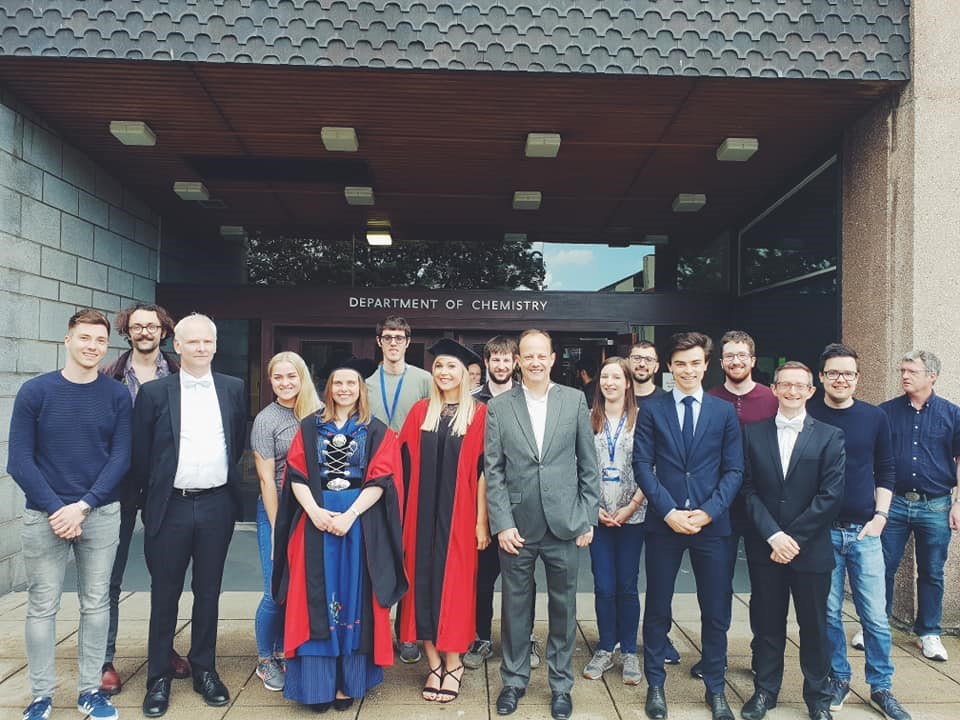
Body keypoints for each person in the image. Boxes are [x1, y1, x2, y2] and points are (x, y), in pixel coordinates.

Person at [8, 308, 131, 720]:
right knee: (42, 605)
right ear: (67, 340)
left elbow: (121, 457)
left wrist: (83, 505)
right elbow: (19, 460)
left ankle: (90, 692)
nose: (92, 347)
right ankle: (41, 695)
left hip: (98, 512)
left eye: (99, 340)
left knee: (96, 604)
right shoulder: (35, 392)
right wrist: (57, 508)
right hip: (45, 514)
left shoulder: (115, 395)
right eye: (85, 338)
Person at [271, 362, 406, 712]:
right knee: (312, 599)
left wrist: (349, 515)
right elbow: (296, 475)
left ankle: (348, 684)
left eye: (351, 383)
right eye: (337, 383)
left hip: (357, 525)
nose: (344, 389)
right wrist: (315, 513)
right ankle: (318, 687)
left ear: (361, 388)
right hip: (314, 524)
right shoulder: (309, 426)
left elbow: (381, 480)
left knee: (354, 597)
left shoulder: (376, 431)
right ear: (328, 388)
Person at [133, 313, 247, 717]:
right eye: (192, 342)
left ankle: (205, 670)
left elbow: (235, 442)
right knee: (164, 596)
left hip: (217, 504)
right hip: (171, 505)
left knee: (209, 592)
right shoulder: (154, 393)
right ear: (176, 345)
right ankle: (158, 677)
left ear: (215, 346)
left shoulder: (234, 388)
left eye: (207, 341)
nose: (201, 348)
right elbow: (143, 455)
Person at [484, 329, 600, 720]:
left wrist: (586, 516)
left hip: (566, 524)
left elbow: (589, 464)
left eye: (541, 355)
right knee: (516, 609)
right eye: (527, 355)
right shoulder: (499, 408)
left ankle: (560, 686)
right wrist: (501, 523)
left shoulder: (574, 401)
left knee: (564, 611)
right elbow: (494, 470)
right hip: (517, 527)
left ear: (552, 359)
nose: (535, 362)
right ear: (518, 360)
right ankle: (514, 681)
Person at [633, 331, 742, 720]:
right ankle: (656, 687)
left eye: (695, 363)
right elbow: (642, 466)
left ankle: (716, 689)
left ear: (706, 365)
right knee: (658, 607)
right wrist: (668, 511)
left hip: (712, 525)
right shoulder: (652, 410)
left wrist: (710, 511)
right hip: (666, 524)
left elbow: (734, 469)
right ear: (669, 367)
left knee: (714, 610)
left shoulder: (723, 411)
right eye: (680, 363)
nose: (688, 370)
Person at [807, 344, 911, 720]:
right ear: (821, 378)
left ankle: (882, 686)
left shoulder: (874, 417)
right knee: (830, 614)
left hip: (865, 531)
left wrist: (881, 516)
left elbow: (886, 469)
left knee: (876, 617)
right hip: (821, 534)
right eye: (833, 373)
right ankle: (839, 677)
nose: (840, 379)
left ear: (857, 378)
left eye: (848, 373)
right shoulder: (808, 413)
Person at [741, 361, 845, 720]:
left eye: (800, 386)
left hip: (810, 550)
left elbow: (830, 496)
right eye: (786, 384)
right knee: (767, 625)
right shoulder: (752, 433)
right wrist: (773, 535)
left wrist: (792, 539)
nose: (792, 391)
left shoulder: (830, 436)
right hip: (765, 548)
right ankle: (765, 692)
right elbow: (748, 490)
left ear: (811, 391)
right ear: (774, 388)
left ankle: (818, 698)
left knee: (814, 627)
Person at [98, 303, 189, 696]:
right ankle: (102, 658)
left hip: (163, 486)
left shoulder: (182, 375)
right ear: (127, 332)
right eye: (137, 326)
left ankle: (162, 650)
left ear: (164, 331)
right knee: (108, 577)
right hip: (116, 486)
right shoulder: (110, 376)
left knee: (165, 577)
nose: (145, 332)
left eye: (152, 326)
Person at [398, 339, 488, 703]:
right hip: (419, 520)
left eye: (451, 366)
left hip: (460, 519)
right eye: (439, 366)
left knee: (455, 589)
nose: (444, 372)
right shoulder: (421, 412)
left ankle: (454, 662)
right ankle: (433, 662)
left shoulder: (479, 414)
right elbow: (399, 465)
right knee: (421, 587)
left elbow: (486, 472)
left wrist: (482, 522)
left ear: (465, 373)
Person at [694, 330, 778, 681]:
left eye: (742, 355)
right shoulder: (710, 399)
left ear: (753, 360)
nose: (736, 361)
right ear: (721, 362)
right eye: (729, 356)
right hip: (720, 507)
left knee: (764, 587)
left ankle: (763, 656)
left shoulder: (772, 400)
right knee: (716, 588)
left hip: (762, 507)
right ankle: (715, 656)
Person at [464, 336, 542, 672]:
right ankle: (480, 636)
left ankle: (523, 638)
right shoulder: (471, 402)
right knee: (482, 577)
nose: (500, 365)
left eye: (506, 359)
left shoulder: (527, 400)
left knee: (522, 577)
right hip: (479, 502)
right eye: (494, 359)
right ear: (486, 362)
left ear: (516, 363)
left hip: (519, 502)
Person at [879, 350, 960, 662]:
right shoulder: (885, 413)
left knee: (932, 572)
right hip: (894, 503)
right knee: (881, 567)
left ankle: (929, 633)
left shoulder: (953, 415)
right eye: (902, 370)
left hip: (936, 506)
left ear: (932, 376)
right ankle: (877, 625)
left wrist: (957, 503)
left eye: (911, 371)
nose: (904, 376)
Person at [249, 352, 323, 692]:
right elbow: (266, 480)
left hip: (311, 511)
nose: (285, 383)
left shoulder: (318, 412)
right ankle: (266, 658)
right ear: (270, 380)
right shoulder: (266, 420)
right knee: (275, 587)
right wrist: (279, 530)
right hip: (277, 510)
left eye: (291, 376)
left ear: (302, 376)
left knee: (300, 587)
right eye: (278, 377)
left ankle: (285, 648)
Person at [364, 315, 431, 664]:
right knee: (377, 549)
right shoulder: (364, 384)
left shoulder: (424, 380)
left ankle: (407, 633)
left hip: (414, 472)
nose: (393, 342)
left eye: (399, 337)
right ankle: (376, 628)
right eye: (387, 337)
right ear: (379, 342)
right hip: (377, 474)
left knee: (408, 551)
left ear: (408, 341)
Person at [581, 357, 646, 686]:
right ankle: (606, 647)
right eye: (604, 376)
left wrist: (631, 506)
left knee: (627, 585)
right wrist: (592, 509)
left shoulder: (641, 420)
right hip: (598, 515)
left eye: (616, 377)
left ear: (628, 383)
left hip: (633, 515)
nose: (609, 382)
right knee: (604, 585)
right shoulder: (588, 418)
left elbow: (652, 467)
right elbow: (578, 464)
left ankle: (630, 651)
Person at [629, 340, 666, 406]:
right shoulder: (618, 396)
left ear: (656, 367)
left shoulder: (666, 400)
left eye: (649, 359)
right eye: (637, 358)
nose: (642, 364)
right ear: (627, 362)